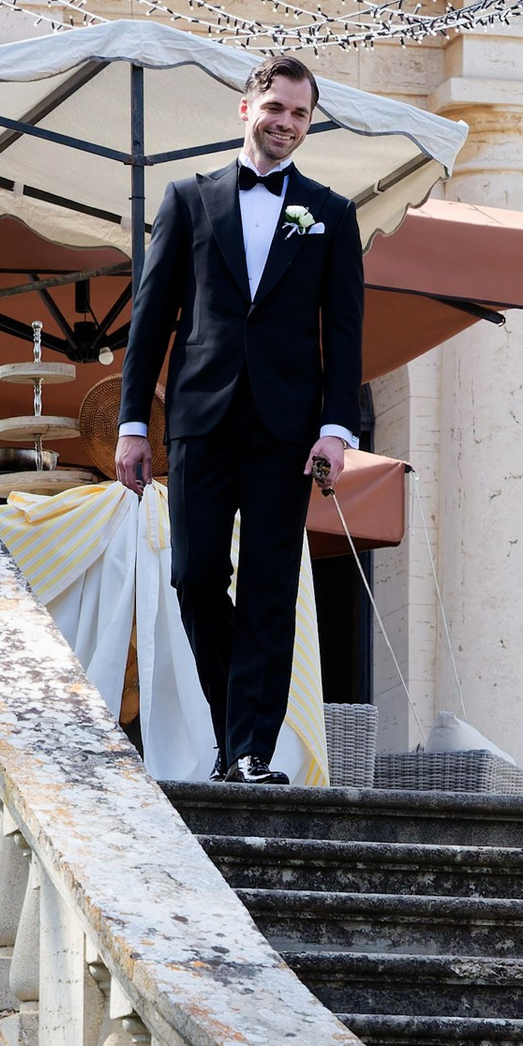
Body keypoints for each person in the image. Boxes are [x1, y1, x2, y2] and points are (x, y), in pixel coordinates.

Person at [115, 53, 364, 783]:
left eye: (300, 114)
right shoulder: (188, 199)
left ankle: (251, 749)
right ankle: (237, 725)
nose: (287, 124)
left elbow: (344, 335)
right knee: (193, 578)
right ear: (246, 108)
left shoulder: (330, 213)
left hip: (288, 429)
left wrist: (336, 428)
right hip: (201, 417)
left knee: (268, 587)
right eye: (277, 108)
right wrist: (134, 423)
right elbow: (152, 320)